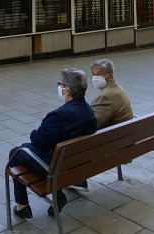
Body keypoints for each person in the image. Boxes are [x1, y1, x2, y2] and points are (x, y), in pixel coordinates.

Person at [8, 68, 97, 219]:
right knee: (26, 150)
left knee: (16, 152)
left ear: (67, 90)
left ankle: (22, 206)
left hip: (58, 167)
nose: (59, 86)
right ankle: (57, 196)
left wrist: (36, 131)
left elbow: (38, 141)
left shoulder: (59, 116)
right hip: (78, 164)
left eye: (60, 84)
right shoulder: (89, 111)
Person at [71, 58, 134, 192]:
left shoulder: (106, 96)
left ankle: (76, 179)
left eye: (98, 74)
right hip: (125, 140)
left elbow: (92, 124)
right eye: (93, 74)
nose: (95, 78)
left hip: (114, 146)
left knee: (71, 140)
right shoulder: (117, 89)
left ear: (109, 76)